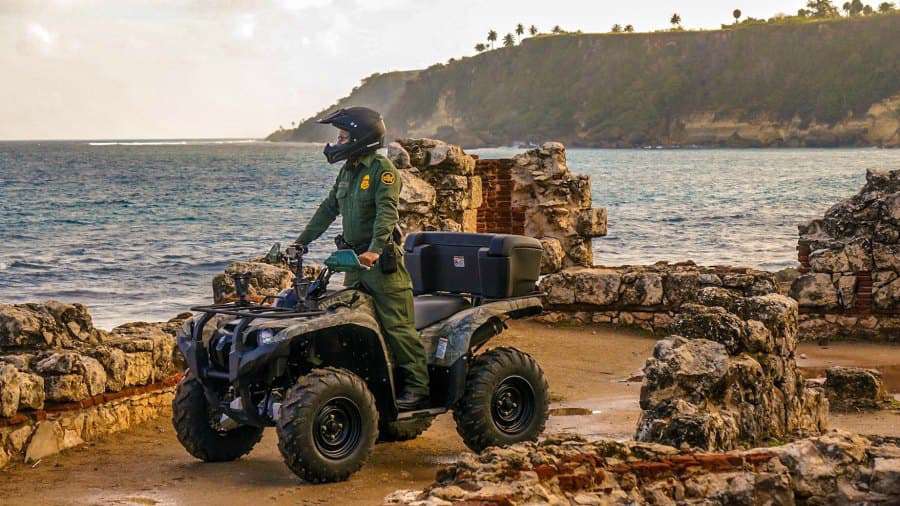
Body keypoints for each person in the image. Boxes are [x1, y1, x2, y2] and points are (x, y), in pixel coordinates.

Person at [294, 107, 429, 410]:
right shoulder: (348, 171)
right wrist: (300, 243)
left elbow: (386, 213)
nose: (338, 142)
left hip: (381, 266)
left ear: (361, 138)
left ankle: (418, 387)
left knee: (397, 326)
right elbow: (328, 209)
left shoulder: (382, 170)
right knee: (350, 324)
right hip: (354, 265)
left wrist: (375, 249)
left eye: (343, 137)